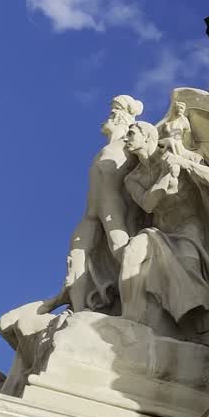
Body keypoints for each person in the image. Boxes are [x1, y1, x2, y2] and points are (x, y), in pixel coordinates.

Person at [116, 122, 209, 346]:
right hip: (161, 231)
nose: (126, 139)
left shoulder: (176, 151)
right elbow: (147, 204)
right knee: (132, 252)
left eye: (131, 134)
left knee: (189, 267)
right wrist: (166, 179)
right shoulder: (132, 179)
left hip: (190, 227)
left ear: (147, 137)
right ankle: (129, 318)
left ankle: (207, 325)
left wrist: (183, 163)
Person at [42, 95, 144, 314]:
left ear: (121, 117)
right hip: (91, 213)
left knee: (121, 250)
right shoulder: (105, 149)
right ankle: (78, 312)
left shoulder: (130, 144)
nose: (107, 117)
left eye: (112, 112)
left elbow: (152, 158)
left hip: (113, 207)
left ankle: (136, 307)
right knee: (76, 258)